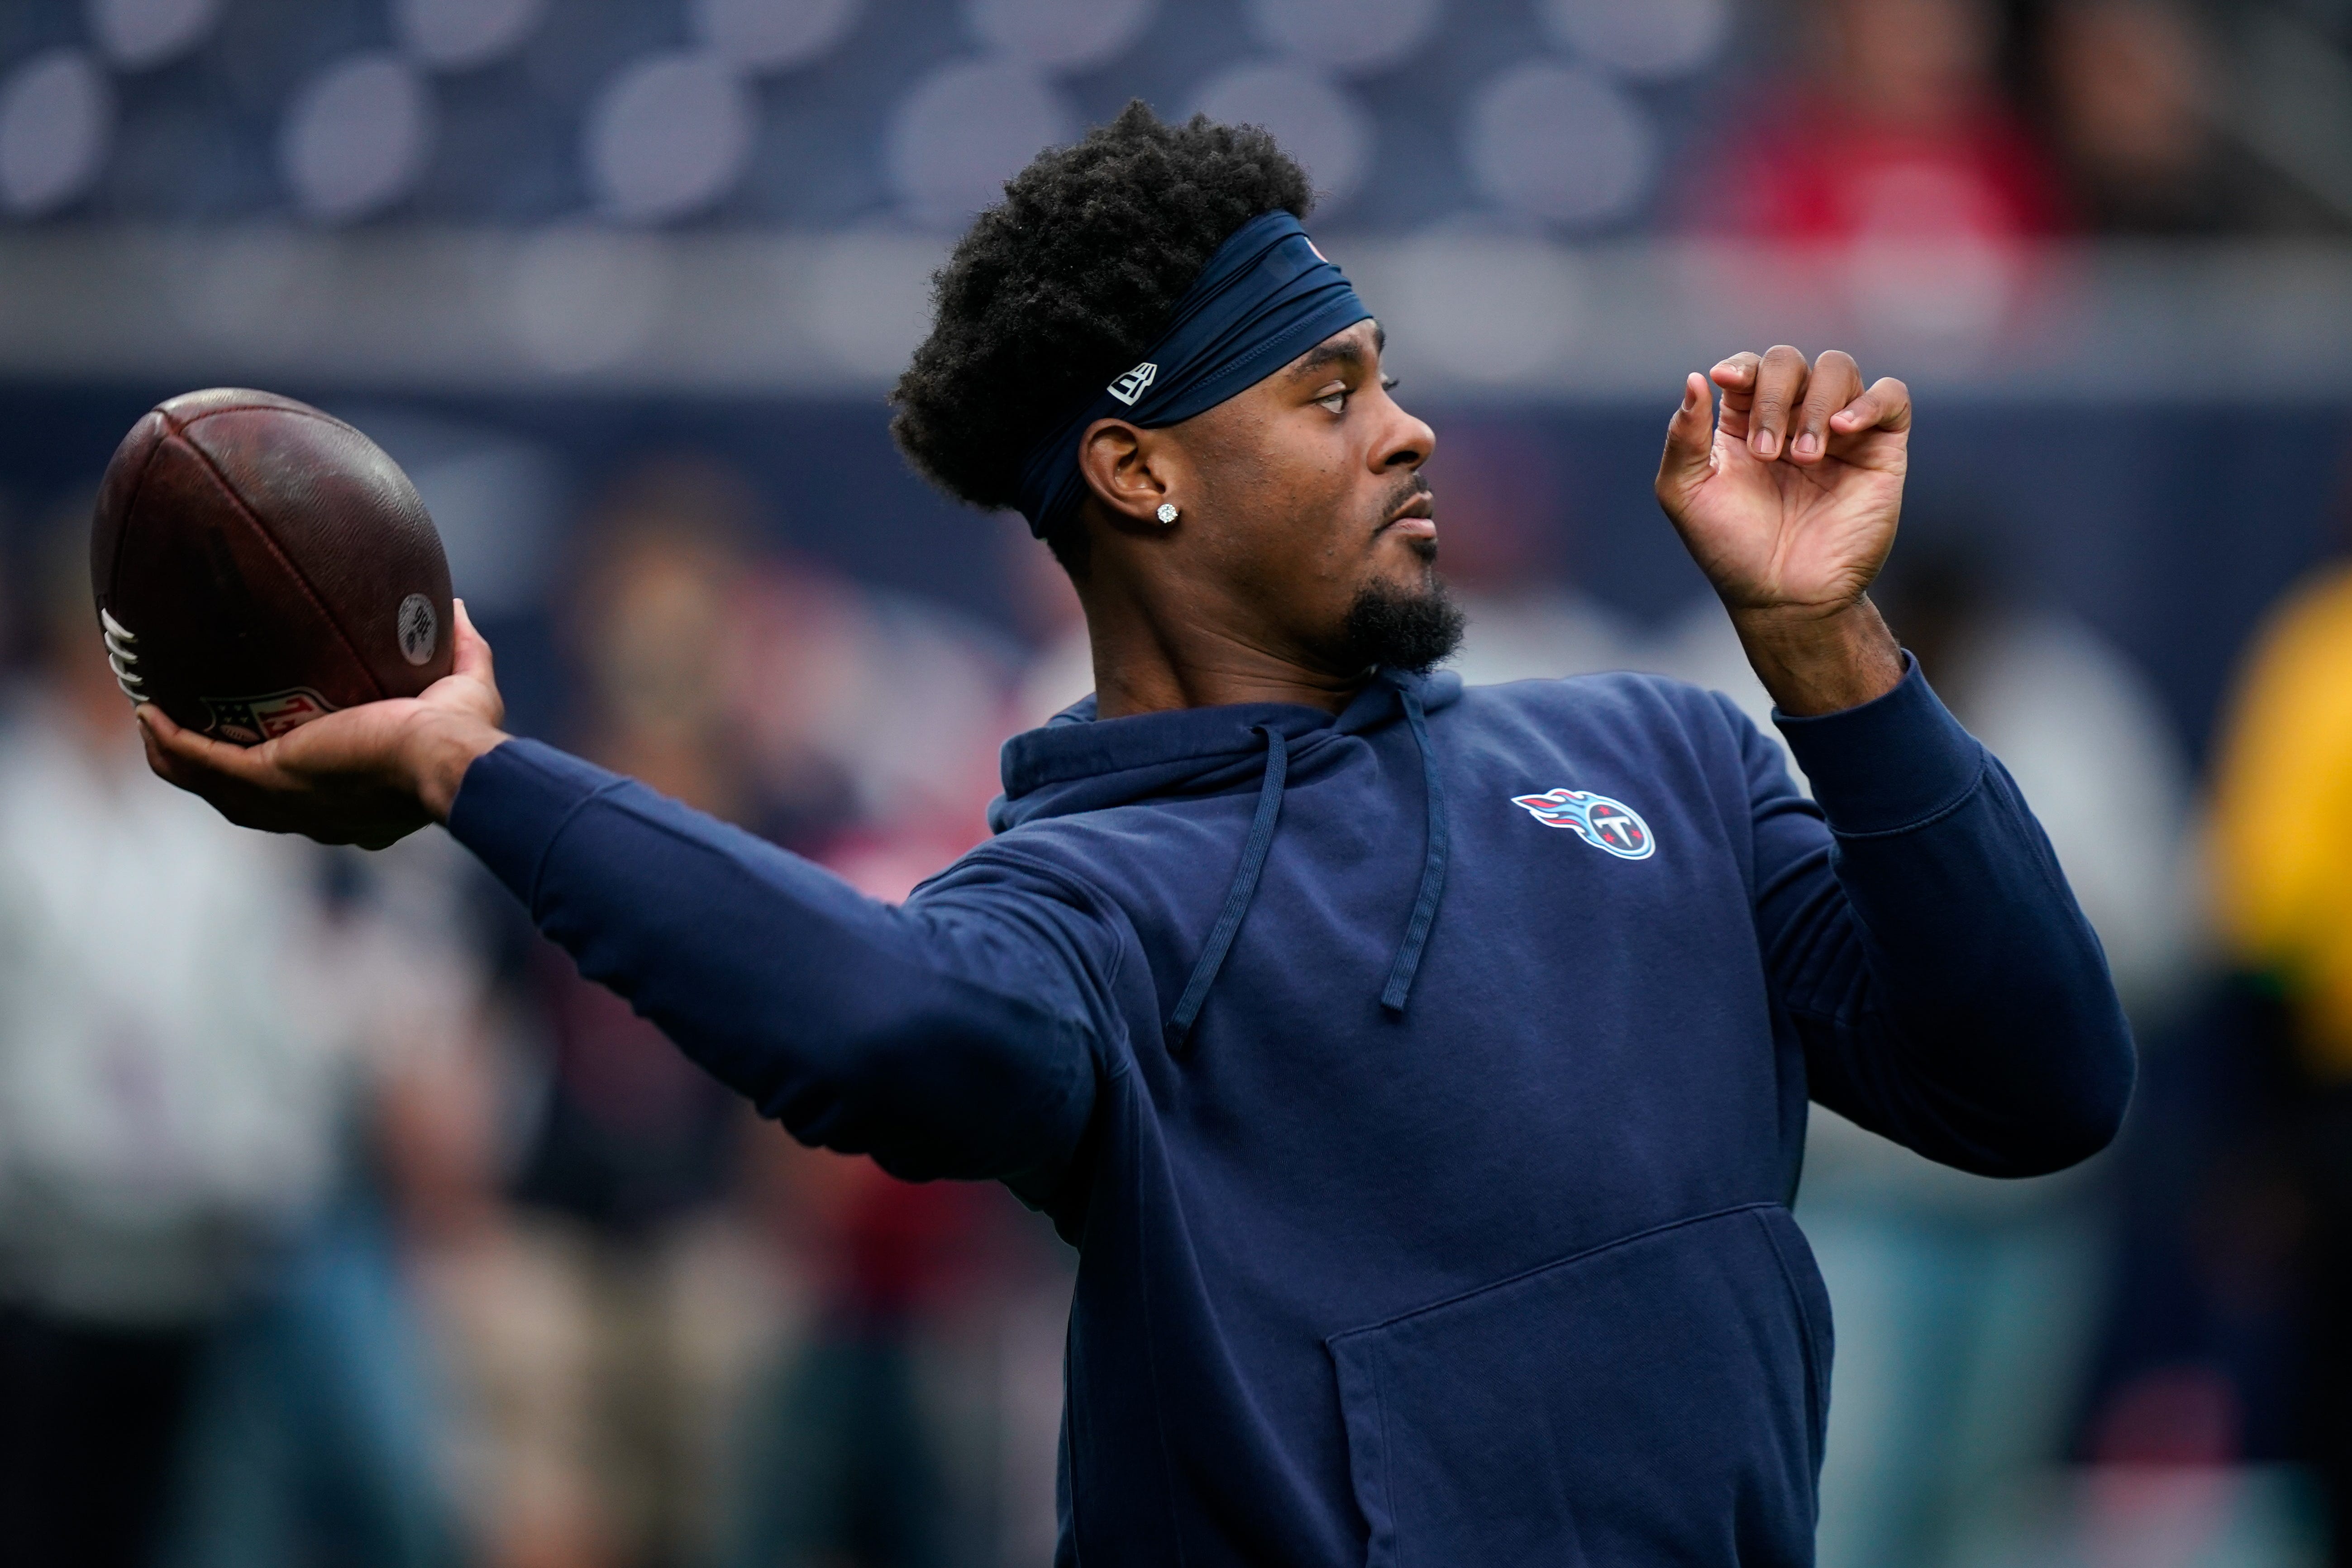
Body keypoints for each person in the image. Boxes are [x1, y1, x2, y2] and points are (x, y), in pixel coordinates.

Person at [132, 106, 2133, 1566]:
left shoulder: (1667, 756)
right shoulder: (1082, 909)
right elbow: (889, 1032)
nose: (1408, 429)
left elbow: (2037, 1079)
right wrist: (480, 773)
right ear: (1137, 472)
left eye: (1392, 381)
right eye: (1330, 391)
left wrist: (1822, 646)